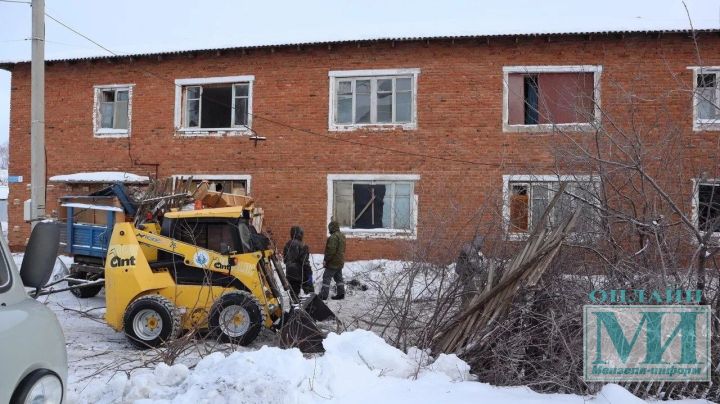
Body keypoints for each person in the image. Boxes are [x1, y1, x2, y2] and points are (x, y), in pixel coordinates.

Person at [455, 234, 485, 309]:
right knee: (469, 288)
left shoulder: (472, 249)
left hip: (465, 271)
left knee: (469, 287)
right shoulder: (470, 249)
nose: (482, 245)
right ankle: (465, 306)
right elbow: (475, 265)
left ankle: (466, 304)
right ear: (477, 242)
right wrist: (481, 271)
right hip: (464, 271)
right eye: (481, 243)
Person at [283, 226, 313, 298]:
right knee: (310, 293)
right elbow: (304, 262)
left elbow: (285, 259)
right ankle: (312, 307)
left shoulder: (287, 245)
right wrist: (309, 273)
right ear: (300, 234)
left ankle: (295, 307)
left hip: (290, 273)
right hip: (301, 273)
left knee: (294, 295)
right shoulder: (303, 245)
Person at [320, 220, 346, 300]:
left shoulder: (333, 237)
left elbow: (331, 250)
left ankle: (323, 295)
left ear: (332, 228)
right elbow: (343, 249)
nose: (329, 230)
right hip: (340, 261)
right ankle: (341, 294)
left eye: (329, 228)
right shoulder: (342, 236)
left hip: (333, 262)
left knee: (326, 277)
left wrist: (326, 260)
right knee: (339, 278)